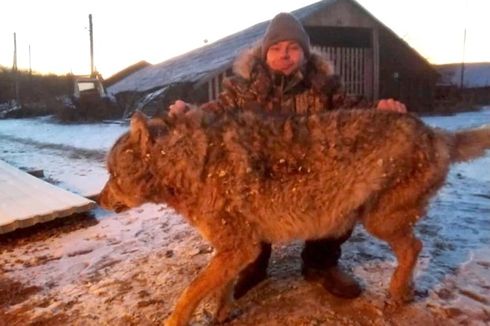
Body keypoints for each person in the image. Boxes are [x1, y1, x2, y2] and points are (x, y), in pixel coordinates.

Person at [169, 12, 406, 300]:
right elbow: (212, 111)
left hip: (313, 170)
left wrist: (379, 109)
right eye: (277, 48)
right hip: (260, 173)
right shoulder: (243, 89)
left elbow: (353, 110)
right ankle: (252, 265)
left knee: (341, 198)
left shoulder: (324, 86)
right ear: (265, 53)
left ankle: (320, 265)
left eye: (293, 48)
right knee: (241, 205)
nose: (285, 55)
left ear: (304, 54)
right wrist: (187, 112)